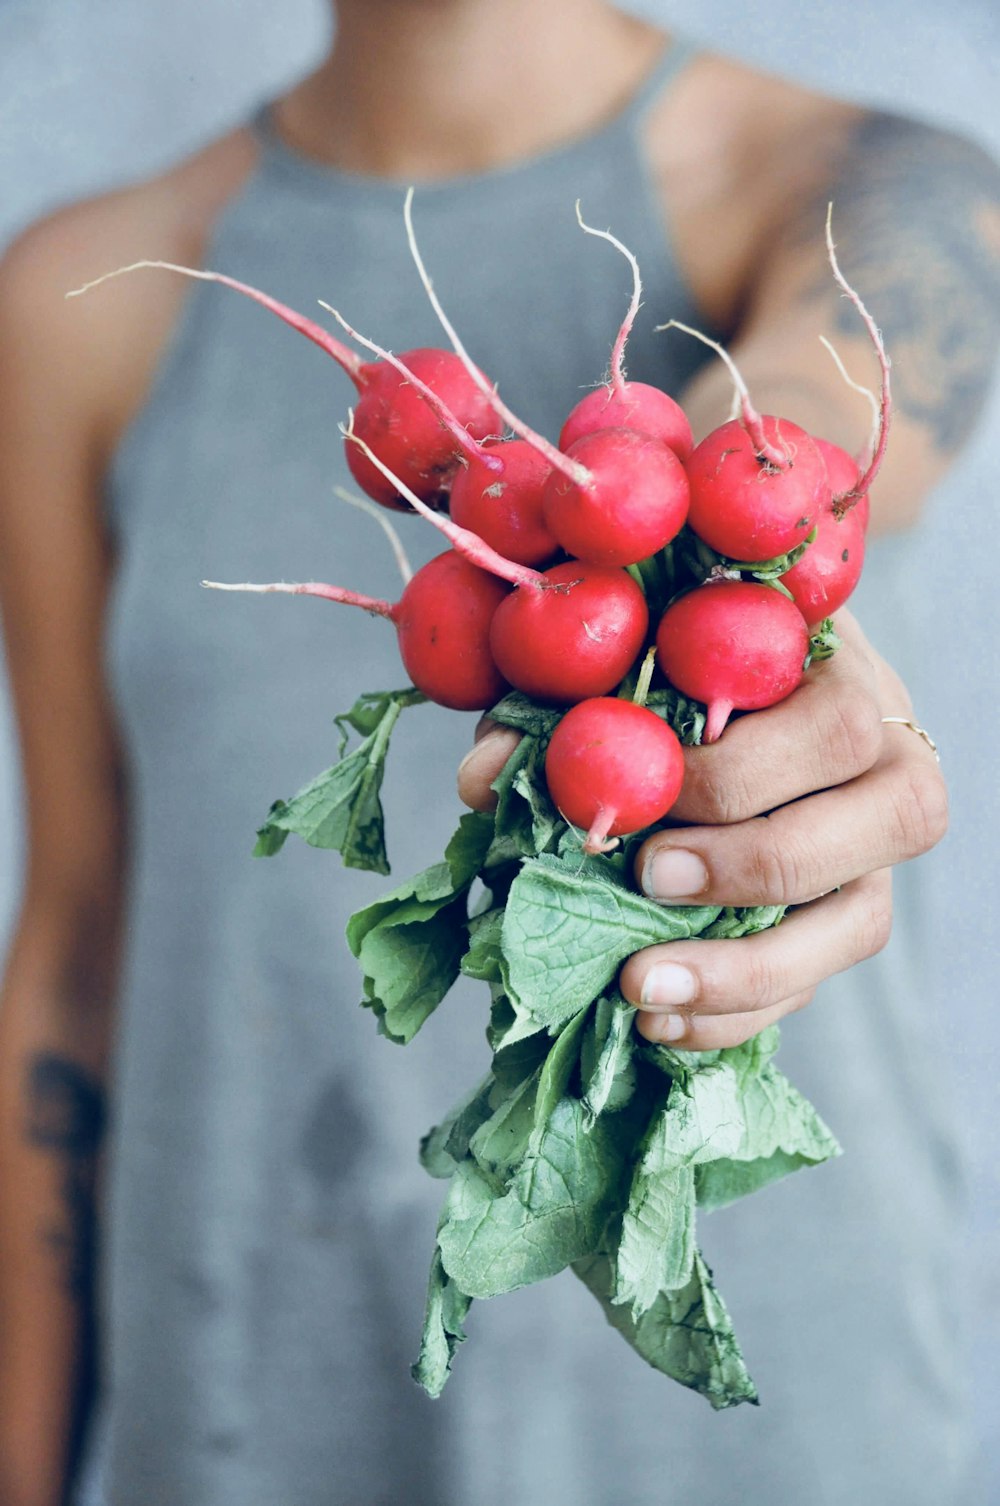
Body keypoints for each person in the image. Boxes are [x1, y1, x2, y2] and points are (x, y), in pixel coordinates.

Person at [0, 3, 994, 1503]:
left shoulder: (878, 182)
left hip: (768, 1432)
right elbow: (77, 949)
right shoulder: (74, 301)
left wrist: (724, 570)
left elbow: (791, 412)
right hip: (246, 1401)